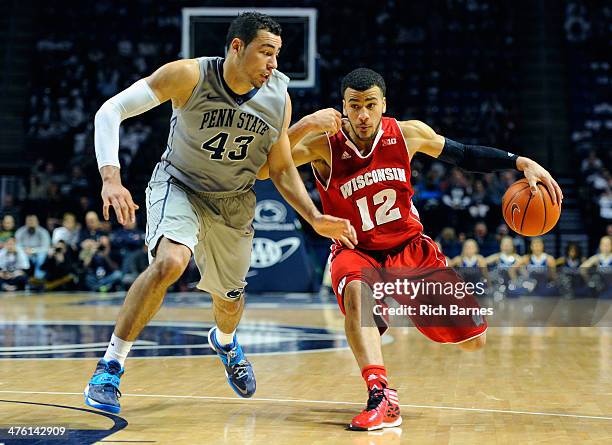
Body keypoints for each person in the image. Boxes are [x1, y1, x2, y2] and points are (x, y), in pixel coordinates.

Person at [258, 68, 562, 430]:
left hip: (409, 251)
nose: (363, 115)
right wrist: (306, 123)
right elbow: (265, 169)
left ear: (384, 104)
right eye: (354, 106)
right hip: (356, 249)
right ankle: (381, 396)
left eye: (371, 104)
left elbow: (463, 154)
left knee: (474, 342)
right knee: (357, 295)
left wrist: (519, 161)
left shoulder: (406, 133)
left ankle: (415, 311)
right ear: (342, 107)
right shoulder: (324, 143)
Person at [84, 12, 356, 414]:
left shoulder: (278, 95)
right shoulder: (188, 75)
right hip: (180, 185)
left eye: (277, 54)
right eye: (266, 52)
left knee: (229, 301)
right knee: (170, 262)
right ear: (236, 47)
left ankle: (225, 342)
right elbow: (110, 112)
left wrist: (314, 217)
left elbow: (278, 168)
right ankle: (110, 367)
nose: (273, 64)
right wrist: (111, 177)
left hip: (234, 201)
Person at [14, 214, 51, 279]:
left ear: (37, 222)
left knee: (41, 256)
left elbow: (46, 247)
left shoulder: (43, 232)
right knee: (19, 254)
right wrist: (24, 250)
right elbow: (16, 245)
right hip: (24, 253)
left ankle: (38, 278)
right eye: (29, 221)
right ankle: (22, 278)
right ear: (25, 222)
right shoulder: (20, 231)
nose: (31, 223)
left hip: (38, 253)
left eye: (33, 221)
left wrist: (33, 250)